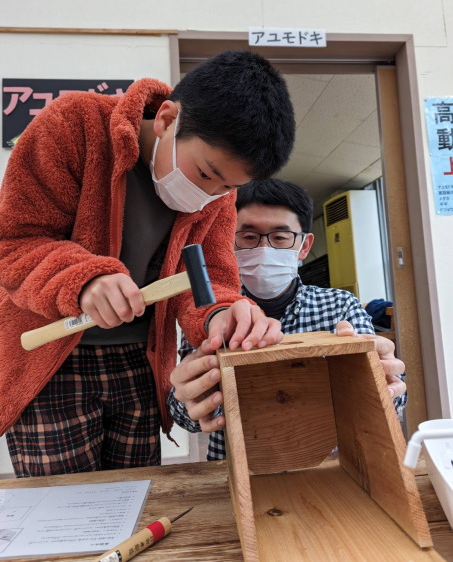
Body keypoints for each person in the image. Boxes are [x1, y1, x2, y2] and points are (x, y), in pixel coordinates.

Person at [0, 51, 296, 477]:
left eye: (229, 186)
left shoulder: (219, 193)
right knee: (65, 513)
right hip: (50, 360)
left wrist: (222, 315)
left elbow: (210, 277)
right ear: (167, 118)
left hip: (140, 361)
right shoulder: (73, 125)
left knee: (134, 498)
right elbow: (16, 242)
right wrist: (83, 280)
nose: (211, 194)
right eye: (206, 173)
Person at [168, 179, 407, 460]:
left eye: (280, 237)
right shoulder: (211, 315)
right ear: (226, 243)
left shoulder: (340, 307)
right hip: (236, 468)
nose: (264, 248)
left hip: (329, 467)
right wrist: (192, 400)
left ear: (304, 246)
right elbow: (184, 416)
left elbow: (391, 403)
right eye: (248, 237)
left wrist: (386, 381)